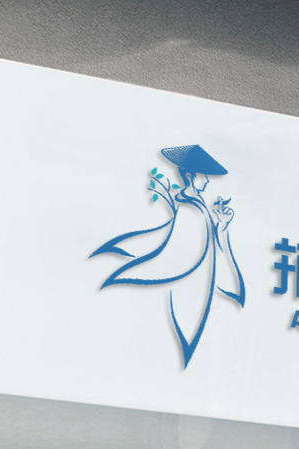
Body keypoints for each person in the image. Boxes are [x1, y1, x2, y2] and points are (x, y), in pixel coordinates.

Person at [90, 144, 246, 368]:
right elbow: (186, 255)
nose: (207, 181)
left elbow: (204, 247)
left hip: (194, 286)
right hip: (187, 288)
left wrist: (221, 225)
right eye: (203, 175)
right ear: (190, 176)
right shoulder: (192, 210)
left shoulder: (197, 207)